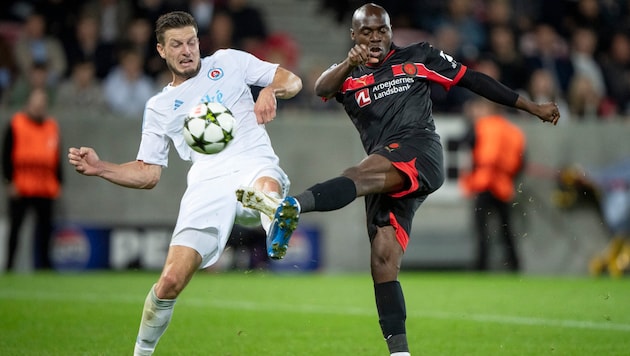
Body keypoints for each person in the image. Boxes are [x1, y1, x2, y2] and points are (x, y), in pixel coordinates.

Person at [236, 4, 559, 356]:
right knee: (383, 259)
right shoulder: (346, 75)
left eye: (382, 31)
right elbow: (320, 88)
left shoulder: (419, 55)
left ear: (390, 31)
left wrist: (531, 106)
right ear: (354, 36)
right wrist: (349, 63)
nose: (375, 38)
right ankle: (400, 352)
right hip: (387, 168)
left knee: (359, 174)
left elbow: (474, 79)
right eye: (367, 32)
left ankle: (292, 205)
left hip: (420, 151)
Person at [67, 11, 302, 355]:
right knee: (169, 283)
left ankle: (272, 217)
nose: (187, 49)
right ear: (161, 50)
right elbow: (148, 174)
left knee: (265, 181)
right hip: (207, 180)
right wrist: (102, 167)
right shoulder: (160, 106)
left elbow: (292, 80)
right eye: (177, 44)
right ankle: (141, 353)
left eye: (191, 41)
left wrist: (269, 89)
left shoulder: (229, 61)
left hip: (251, 157)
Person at [457, 97, 526, 272]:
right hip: (503, 186)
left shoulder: (481, 126)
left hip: (484, 183)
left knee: (482, 229)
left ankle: (481, 266)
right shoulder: (512, 130)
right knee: (506, 230)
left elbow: (466, 144)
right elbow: (521, 162)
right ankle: (514, 266)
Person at [2, 88, 62, 271]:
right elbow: (5, 155)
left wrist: (59, 182)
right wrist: (8, 181)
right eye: (37, 101)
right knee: (15, 230)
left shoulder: (52, 126)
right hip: (21, 186)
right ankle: (10, 266)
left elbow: (57, 157)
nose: (39, 106)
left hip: (45, 187)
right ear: (28, 103)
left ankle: (44, 267)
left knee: (45, 231)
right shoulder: (16, 124)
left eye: (43, 102)